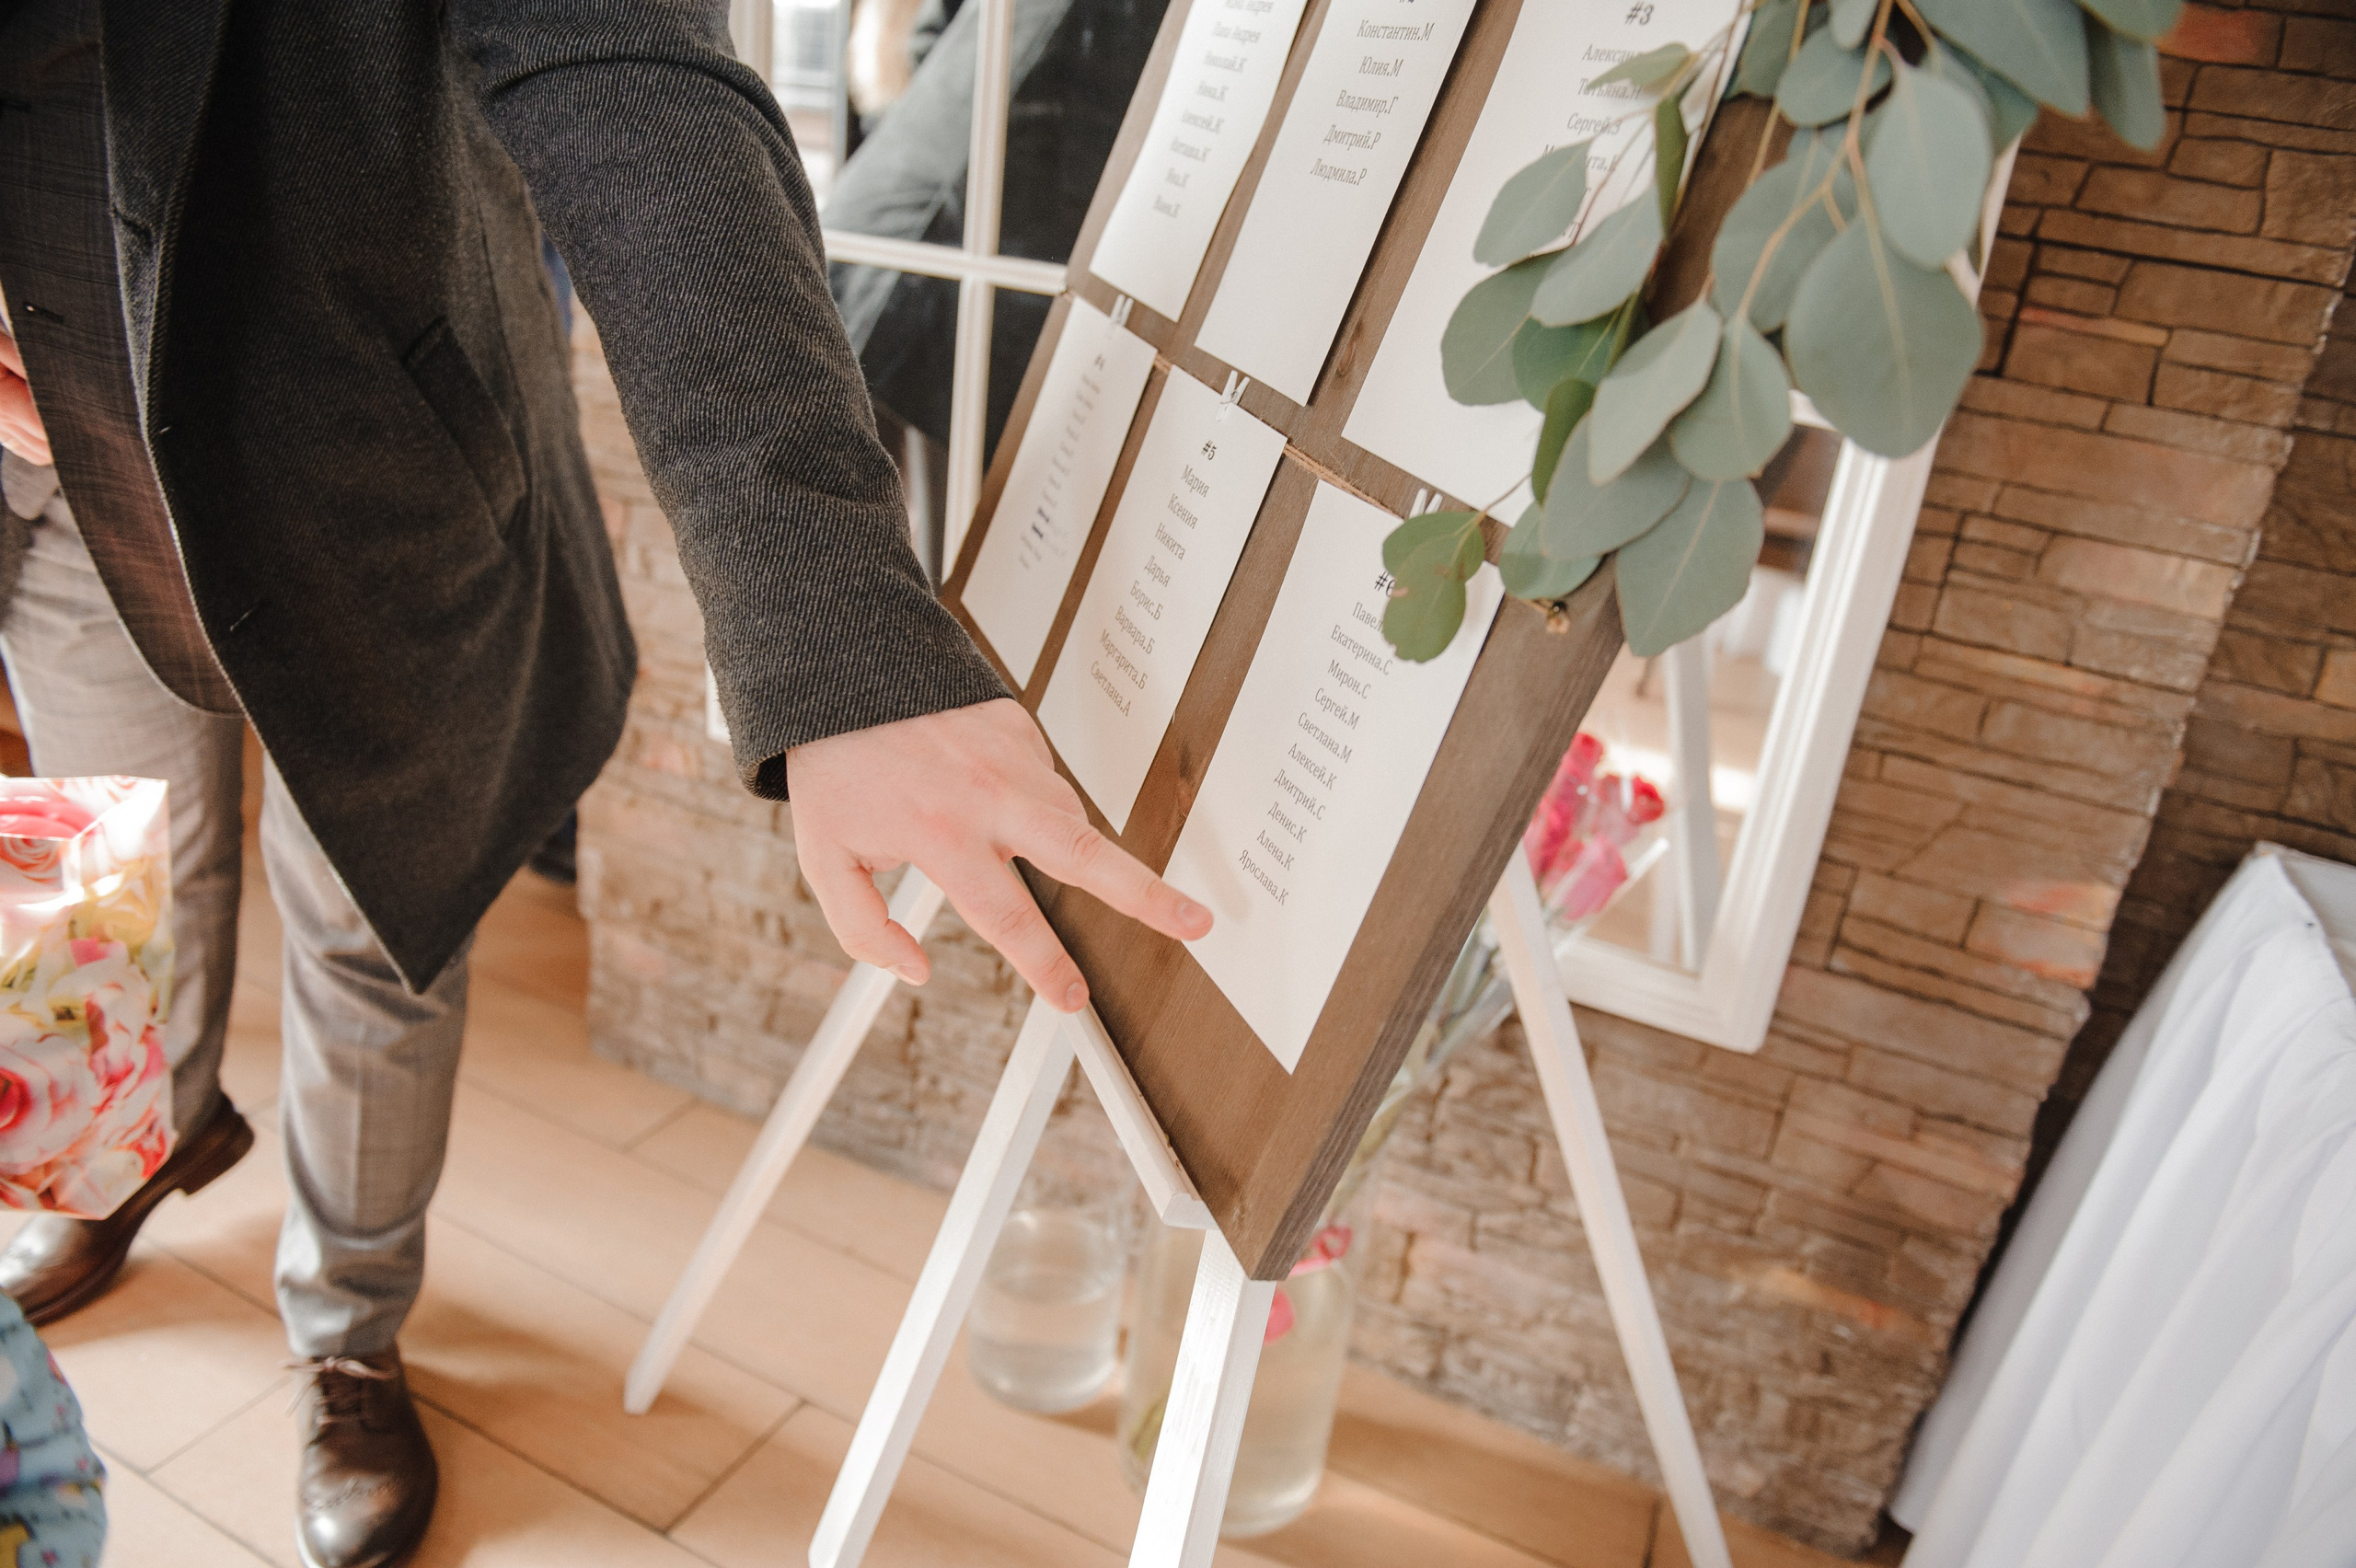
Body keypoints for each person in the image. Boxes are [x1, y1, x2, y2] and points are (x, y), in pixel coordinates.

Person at [0, 5, 1209, 1566]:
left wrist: (832, 617)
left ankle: (351, 1328)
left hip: (359, 447)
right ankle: (123, 1155)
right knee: (100, 857)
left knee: (378, 918)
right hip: (49, 461)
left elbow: (628, 64)